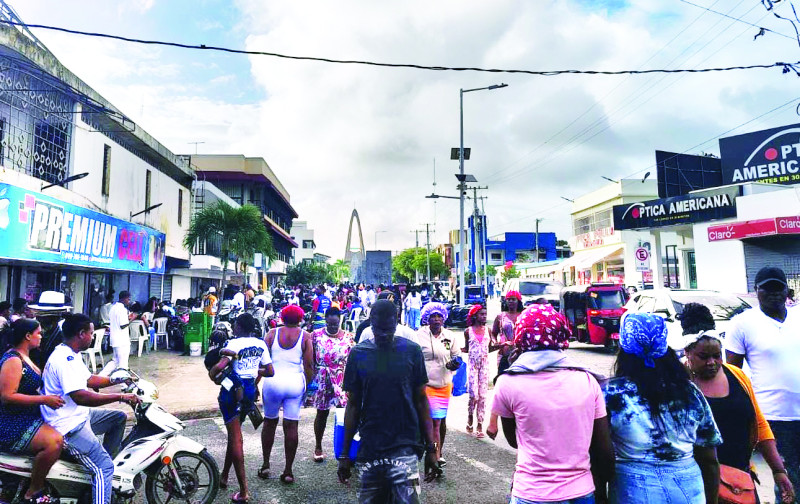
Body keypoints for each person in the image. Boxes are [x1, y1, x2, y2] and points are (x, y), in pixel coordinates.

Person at [489, 304, 615, 504]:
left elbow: (514, 440)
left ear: (520, 335)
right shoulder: (588, 381)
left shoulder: (508, 382)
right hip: (581, 492)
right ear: (559, 334)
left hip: (531, 492)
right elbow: (603, 447)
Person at [680, 302, 795, 504]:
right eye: (703, 357)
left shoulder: (738, 377)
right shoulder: (678, 382)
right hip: (696, 486)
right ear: (687, 352)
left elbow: (760, 426)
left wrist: (778, 470)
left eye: (717, 356)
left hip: (738, 485)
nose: (712, 362)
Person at [603, 313, 721, 504]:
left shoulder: (611, 393)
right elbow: (709, 457)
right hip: (687, 484)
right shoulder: (689, 391)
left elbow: (602, 454)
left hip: (633, 485)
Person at [337, 299, 440, 502]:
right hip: (370, 445)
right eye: (378, 329)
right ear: (370, 324)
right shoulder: (358, 354)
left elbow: (421, 400)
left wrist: (431, 448)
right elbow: (353, 405)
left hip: (406, 444)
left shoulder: (412, 351)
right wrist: (344, 454)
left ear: (396, 323)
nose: (383, 334)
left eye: (388, 328)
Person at [41, 314, 141, 504]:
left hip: (78, 416)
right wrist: (120, 396)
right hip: (68, 426)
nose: (93, 336)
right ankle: (101, 474)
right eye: (91, 333)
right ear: (81, 334)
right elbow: (81, 396)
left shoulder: (71, 353)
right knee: (104, 467)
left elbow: (89, 380)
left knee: (118, 419)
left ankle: (98, 472)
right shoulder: (65, 360)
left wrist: (117, 379)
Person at [727, 266, 800, 503]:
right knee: (788, 481)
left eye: (777, 287)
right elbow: (733, 374)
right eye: (766, 288)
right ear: (756, 291)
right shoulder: (742, 323)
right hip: (774, 418)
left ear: (787, 290)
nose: (773, 293)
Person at [209, 313, 274, 504]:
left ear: (238, 327)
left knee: (236, 438)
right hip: (249, 391)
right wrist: (254, 371)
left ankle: (244, 491)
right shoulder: (261, 344)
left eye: (235, 324)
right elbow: (270, 371)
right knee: (234, 434)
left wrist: (215, 372)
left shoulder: (233, 345)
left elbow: (216, 372)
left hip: (232, 392)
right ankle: (224, 476)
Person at [0, 319, 65, 504]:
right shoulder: (13, 360)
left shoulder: (26, 355)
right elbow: (7, 396)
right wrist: (44, 399)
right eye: (38, 333)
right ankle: (34, 491)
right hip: (12, 423)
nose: (41, 336)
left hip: (27, 416)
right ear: (27, 336)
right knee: (55, 442)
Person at [260, 305, 314, 484]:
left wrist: (254, 384)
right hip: (294, 383)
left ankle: (266, 465)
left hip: (272, 382)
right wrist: (306, 386)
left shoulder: (272, 334)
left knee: (269, 423)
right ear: (300, 319)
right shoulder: (305, 336)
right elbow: (308, 366)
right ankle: (288, 471)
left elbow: (263, 360)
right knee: (291, 427)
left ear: (282, 317)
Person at [416, 302, 460, 467]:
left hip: (444, 385)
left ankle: (435, 452)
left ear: (443, 318)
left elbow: (457, 356)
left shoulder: (450, 336)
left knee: (439, 421)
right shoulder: (419, 335)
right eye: (433, 316)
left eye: (439, 316)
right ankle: (436, 455)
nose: (436, 319)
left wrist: (454, 364)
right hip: (426, 385)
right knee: (434, 421)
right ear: (427, 318)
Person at [310, 307, 355, 462]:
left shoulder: (349, 337)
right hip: (322, 377)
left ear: (340, 321)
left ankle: (345, 449)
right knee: (322, 413)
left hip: (342, 378)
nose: (333, 328)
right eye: (330, 325)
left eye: (335, 325)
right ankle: (318, 446)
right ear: (326, 320)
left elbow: (352, 361)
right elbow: (311, 359)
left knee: (346, 414)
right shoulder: (315, 335)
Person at [463, 305, 489, 438]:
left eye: (485, 314)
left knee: (483, 396)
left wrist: (502, 345)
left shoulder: (488, 330)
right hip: (473, 365)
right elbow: (467, 348)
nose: (484, 317)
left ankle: (479, 424)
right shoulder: (468, 331)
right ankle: (469, 416)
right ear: (475, 316)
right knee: (474, 394)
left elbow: (490, 347)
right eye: (481, 314)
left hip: (484, 365)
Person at [100, 291, 136, 377]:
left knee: (115, 361)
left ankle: (100, 376)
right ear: (124, 298)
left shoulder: (113, 308)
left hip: (115, 339)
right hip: (122, 340)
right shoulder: (122, 309)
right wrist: (132, 318)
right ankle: (124, 384)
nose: (129, 301)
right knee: (123, 364)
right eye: (128, 299)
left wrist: (127, 318)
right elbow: (123, 325)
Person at [492, 290, 523, 379]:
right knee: (503, 377)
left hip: (519, 352)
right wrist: (495, 342)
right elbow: (494, 333)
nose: (510, 302)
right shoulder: (500, 317)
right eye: (508, 299)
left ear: (518, 301)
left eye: (513, 299)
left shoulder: (523, 316)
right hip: (503, 353)